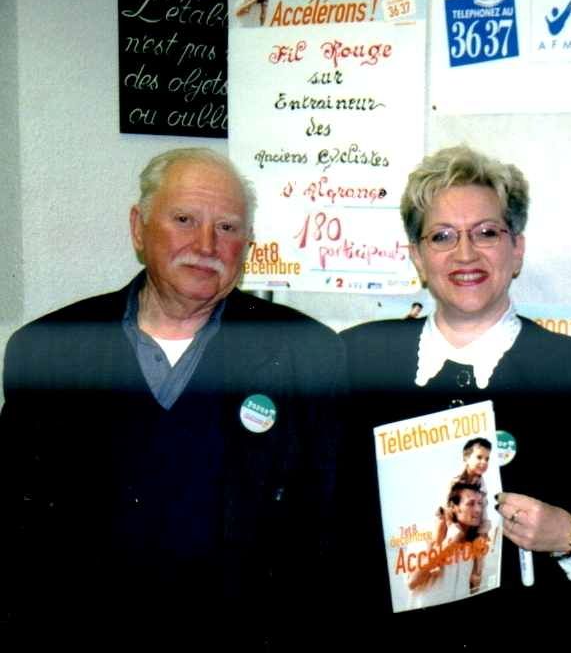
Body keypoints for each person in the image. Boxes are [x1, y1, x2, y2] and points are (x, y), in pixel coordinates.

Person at [0, 148, 344, 650]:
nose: (205, 244)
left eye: (227, 227)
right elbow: (15, 530)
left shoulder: (308, 353)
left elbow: (327, 534)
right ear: (138, 228)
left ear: (247, 244)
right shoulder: (48, 350)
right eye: (184, 219)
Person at [341, 145, 571, 649]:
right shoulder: (356, 361)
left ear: (517, 250)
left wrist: (570, 538)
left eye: (487, 233)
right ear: (417, 257)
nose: (465, 254)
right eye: (442, 236)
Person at [408, 483, 492, 607]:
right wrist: (449, 543)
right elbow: (412, 581)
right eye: (470, 503)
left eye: (480, 504)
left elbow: (474, 587)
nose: (478, 509)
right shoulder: (427, 535)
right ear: (453, 507)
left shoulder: (475, 544)